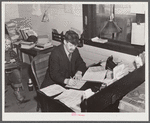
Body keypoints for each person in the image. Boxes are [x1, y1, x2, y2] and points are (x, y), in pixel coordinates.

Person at [5, 34, 30, 104]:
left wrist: (15, 61)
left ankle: (17, 91)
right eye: (5, 45)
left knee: (17, 74)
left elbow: (19, 62)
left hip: (12, 69)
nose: (8, 46)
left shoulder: (11, 52)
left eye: (9, 45)